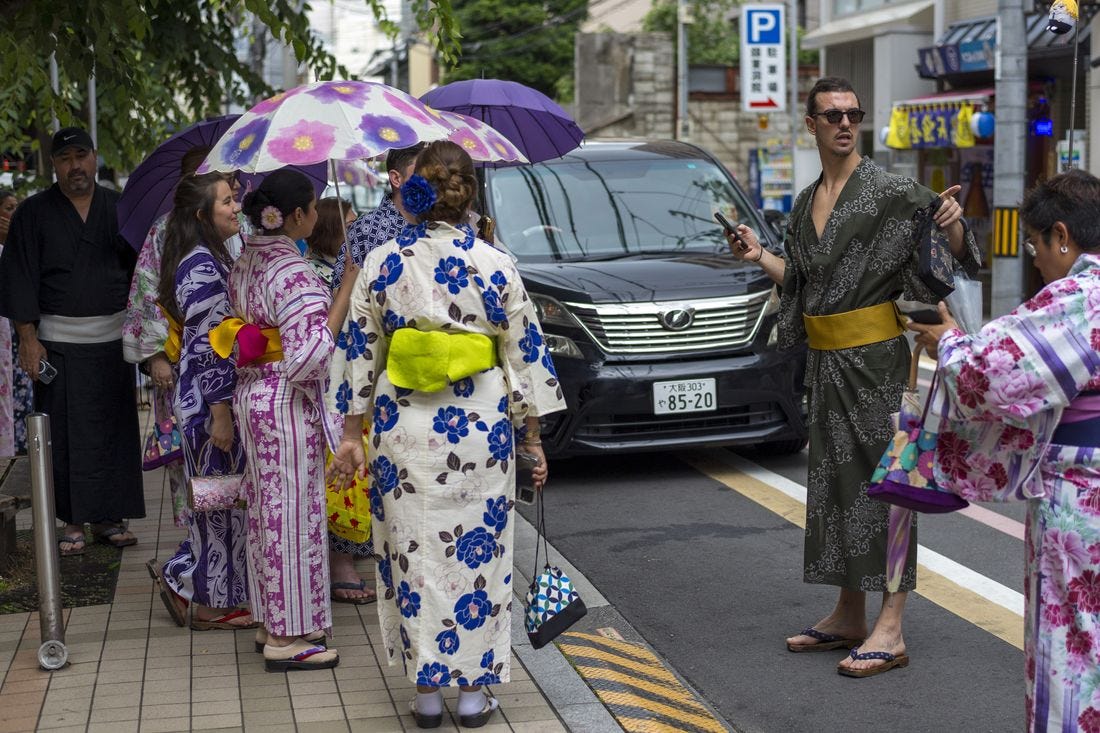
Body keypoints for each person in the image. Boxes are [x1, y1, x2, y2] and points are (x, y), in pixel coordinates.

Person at [726, 77, 980, 676]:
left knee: (890, 487)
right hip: (828, 364)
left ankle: (890, 626)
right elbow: (807, 285)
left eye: (853, 114)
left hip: (879, 362)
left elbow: (957, 256)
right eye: (832, 115)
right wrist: (758, 257)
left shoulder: (892, 189)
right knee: (836, 488)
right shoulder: (804, 200)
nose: (845, 123)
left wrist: (950, 222)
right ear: (809, 124)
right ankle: (848, 611)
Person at [329, 140, 567, 727]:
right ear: (469, 196)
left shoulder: (384, 260)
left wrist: (350, 435)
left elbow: (358, 353)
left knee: (412, 554)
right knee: (477, 558)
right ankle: (470, 696)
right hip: (478, 430)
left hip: (402, 428)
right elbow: (525, 360)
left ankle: (427, 697)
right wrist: (532, 440)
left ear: (415, 190)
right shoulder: (495, 262)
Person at [910, 170, 1100, 732]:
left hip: (1083, 501)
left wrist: (947, 340)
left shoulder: (1080, 299)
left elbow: (989, 375)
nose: (1036, 261)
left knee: (1074, 647)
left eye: (1036, 245)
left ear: (1062, 236)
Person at [229, 168, 358, 671]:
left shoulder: (247, 260)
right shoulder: (294, 272)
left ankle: (271, 619)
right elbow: (308, 357)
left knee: (267, 515)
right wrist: (344, 289)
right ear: (298, 215)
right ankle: (289, 636)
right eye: (312, 206)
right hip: (285, 402)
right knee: (292, 519)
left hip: (254, 394)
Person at [0, 127, 144, 554]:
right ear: (54, 165)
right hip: (58, 344)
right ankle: (72, 520)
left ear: (94, 157)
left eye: (81, 155)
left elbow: (142, 274)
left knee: (113, 430)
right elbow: (19, 277)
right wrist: (28, 339)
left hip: (112, 342)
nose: (75, 165)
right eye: (65, 158)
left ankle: (110, 518)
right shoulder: (32, 214)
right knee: (64, 434)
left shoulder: (121, 209)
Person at [152, 172, 254, 631]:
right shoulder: (200, 264)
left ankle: (203, 590)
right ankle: (199, 594)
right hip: (208, 405)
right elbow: (212, 348)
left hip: (206, 402)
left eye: (236, 200)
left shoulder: (209, 258)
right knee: (217, 506)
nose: (236, 208)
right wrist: (220, 415)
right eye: (227, 202)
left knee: (221, 503)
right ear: (202, 215)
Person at [122, 146, 211, 528]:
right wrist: (156, 356)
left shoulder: (236, 225)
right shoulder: (164, 229)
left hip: (230, 358)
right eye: (194, 174)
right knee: (185, 453)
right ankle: (194, 543)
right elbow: (146, 292)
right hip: (177, 356)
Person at [331, 143, 423, 291]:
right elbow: (339, 293)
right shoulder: (365, 229)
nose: (434, 181)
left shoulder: (437, 224)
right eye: (423, 173)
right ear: (396, 178)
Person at [0, 189, 33, 457]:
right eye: (9, 208)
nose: (14, 213)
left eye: (15, 207)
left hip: (17, 337)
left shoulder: (19, 243)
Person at [305, 197, 355, 290]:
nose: (358, 231)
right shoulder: (310, 276)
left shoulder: (354, 263)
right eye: (350, 226)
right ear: (328, 233)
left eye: (358, 224)